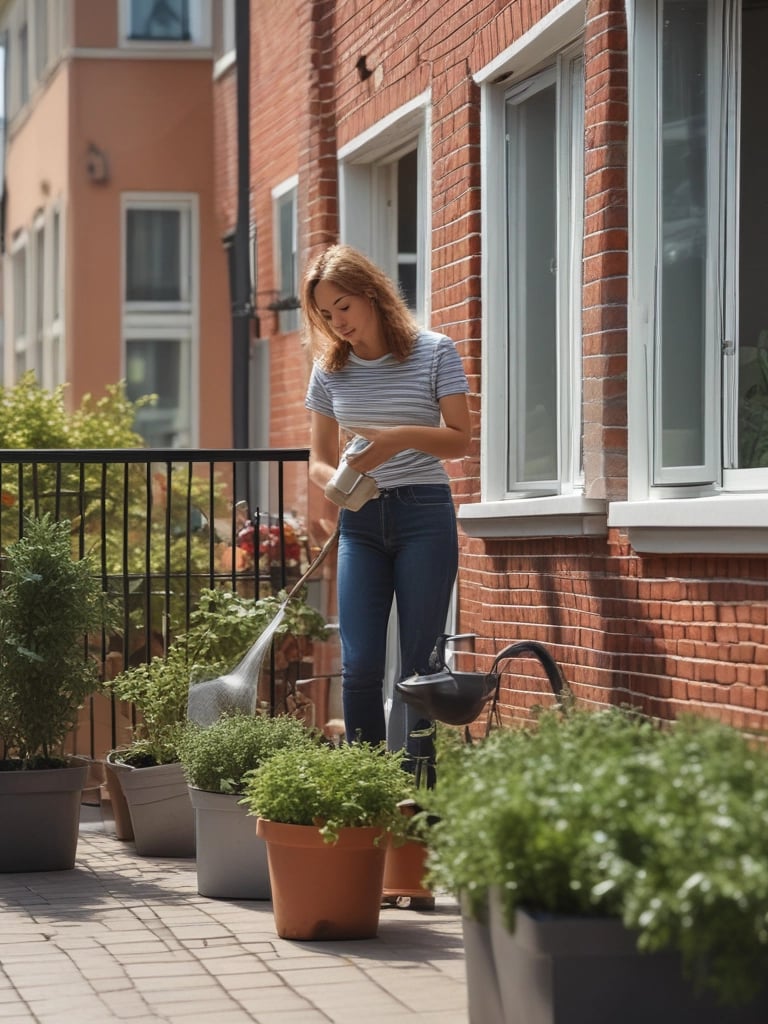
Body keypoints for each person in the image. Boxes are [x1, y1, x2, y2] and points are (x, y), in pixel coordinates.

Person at [302, 244, 470, 782]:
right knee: (359, 666)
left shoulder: (435, 352)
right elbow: (317, 461)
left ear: (372, 294)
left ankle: (417, 790)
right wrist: (338, 484)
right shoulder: (329, 370)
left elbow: (460, 439)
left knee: (420, 665)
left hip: (424, 515)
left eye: (344, 306)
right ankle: (368, 787)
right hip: (360, 523)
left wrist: (395, 439)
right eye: (326, 314)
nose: (338, 322)